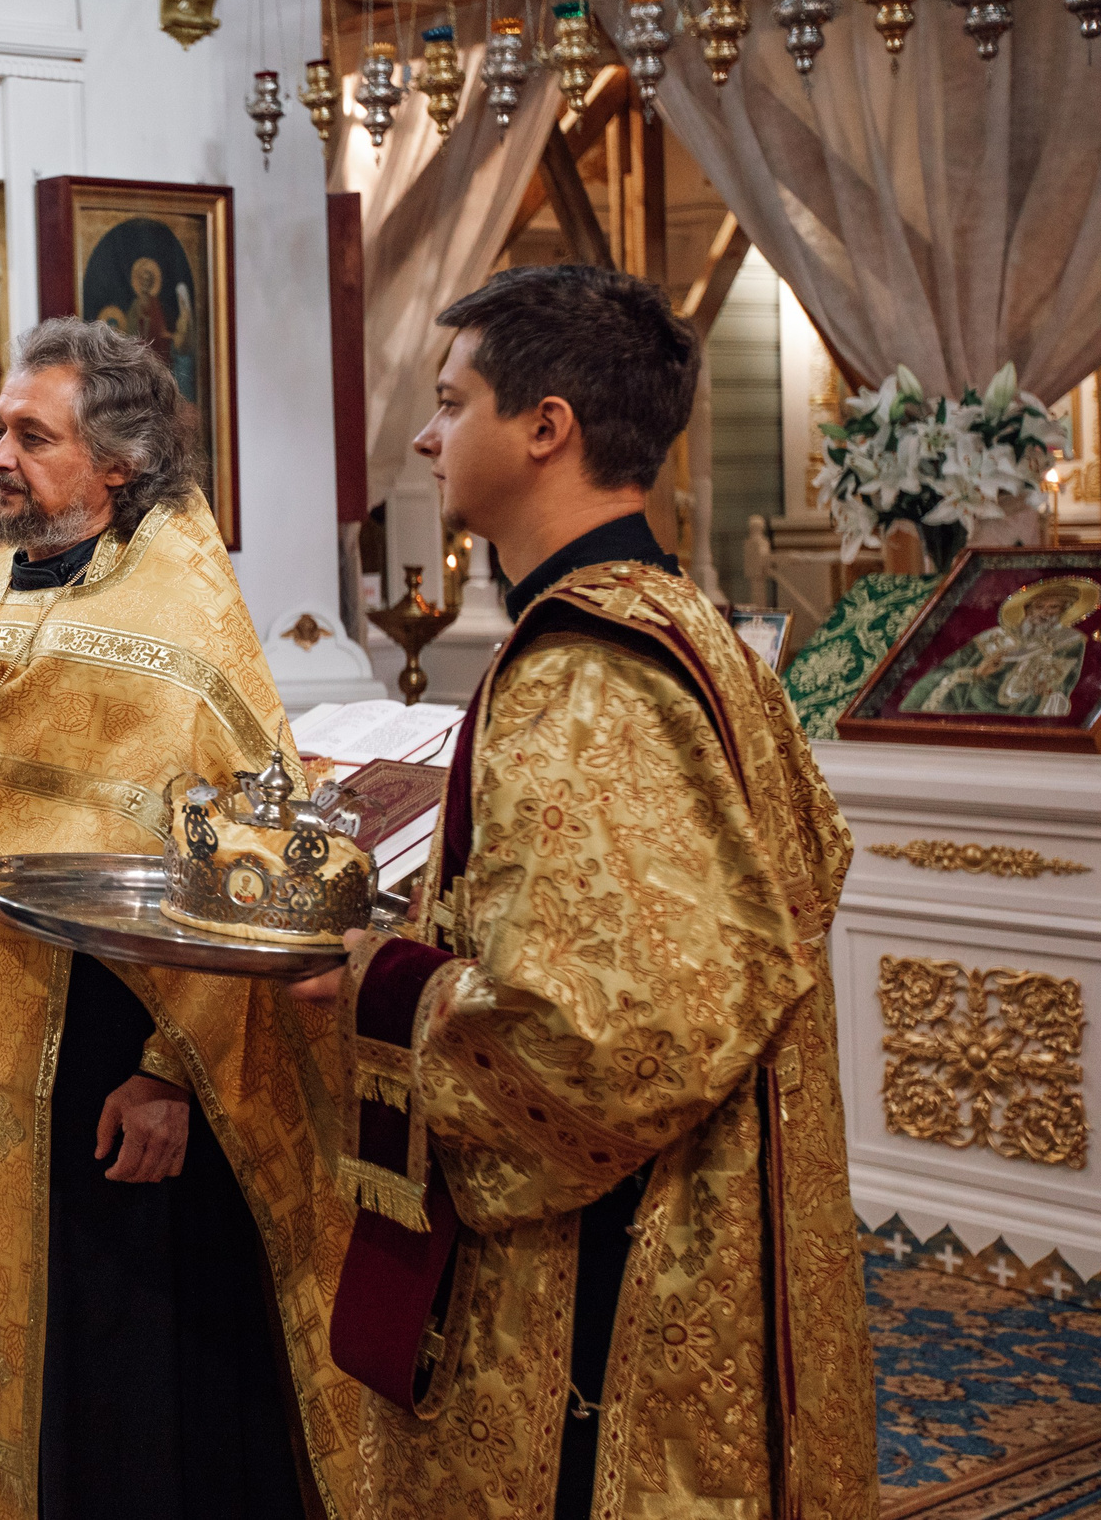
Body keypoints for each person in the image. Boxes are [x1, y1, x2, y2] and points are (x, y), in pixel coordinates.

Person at [295, 265, 876, 1520]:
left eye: (452, 402)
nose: (424, 431)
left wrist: (373, 979)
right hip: (718, 1210)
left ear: (545, 426)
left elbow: (593, 1043)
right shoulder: (695, 626)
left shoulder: (588, 675)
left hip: (619, 1270)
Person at [0, 317, 363, 1520]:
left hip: (101, 1077)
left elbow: (238, 861)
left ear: (117, 465)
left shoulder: (180, 624)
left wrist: (168, 1075)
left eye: (31, 437)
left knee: (118, 1384)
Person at [902, 575, 1097, 717]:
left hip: (1029, 710)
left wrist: (1048, 689)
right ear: (1027, 609)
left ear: (1063, 611)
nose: (1044, 613)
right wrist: (977, 672)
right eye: (1039, 606)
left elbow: (1065, 682)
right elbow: (946, 669)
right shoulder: (994, 638)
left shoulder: (1070, 641)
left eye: (1053, 607)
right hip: (973, 703)